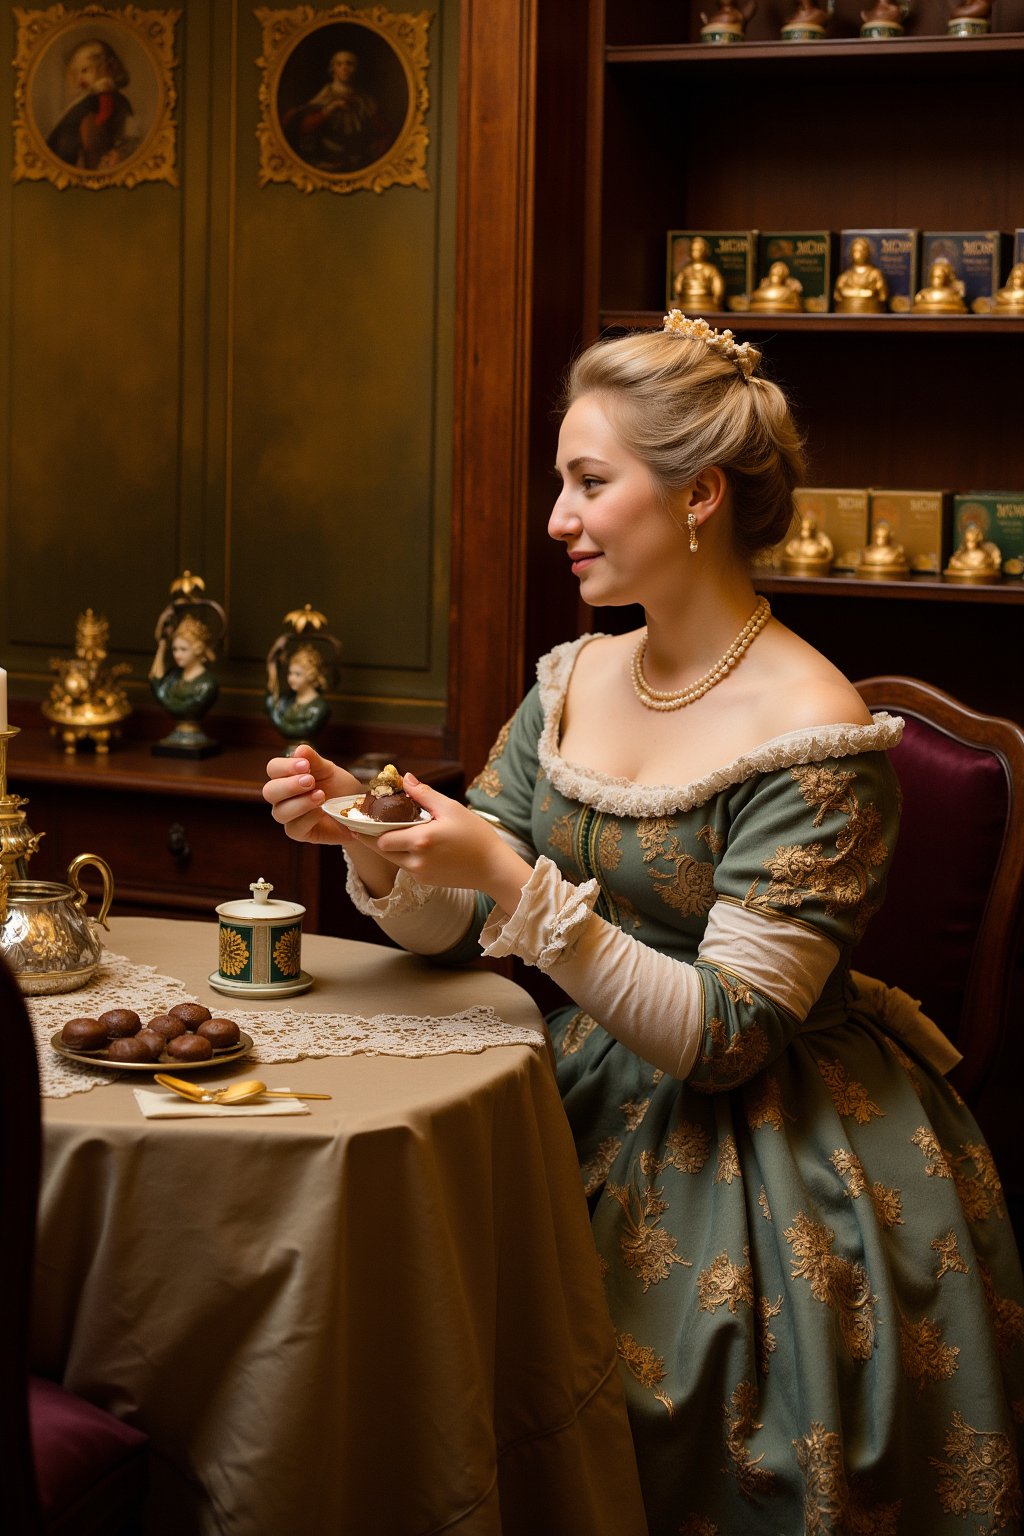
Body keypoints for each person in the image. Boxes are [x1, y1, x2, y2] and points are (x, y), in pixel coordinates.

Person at [263, 311, 1024, 1534]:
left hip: (775, 1150)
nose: (556, 518)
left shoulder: (811, 731)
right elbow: (455, 929)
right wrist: (373, 843)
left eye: (587, 483)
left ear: (699, 495)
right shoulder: (578, 676)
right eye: (559, 484)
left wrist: (509, 881)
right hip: (579, 1083)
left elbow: (723, 1036)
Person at [283, 48, 391, 173]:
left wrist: (366, 109)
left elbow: (384, 130)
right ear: (333, 69)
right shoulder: (325, 95)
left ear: (356, 69)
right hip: (327, 157)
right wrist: (329, 109)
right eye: (339, 64)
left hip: (359, 159)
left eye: (349, 64)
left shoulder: (364, 98)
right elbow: (304, 128)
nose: (344, 68)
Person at [46, 38, 137, 171]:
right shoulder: (90, 97)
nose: (80, 78)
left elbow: (103, 124)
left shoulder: (106, 95)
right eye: (77, 73)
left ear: (107, 68)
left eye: (85, 70)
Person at [149, 612, 219, 721]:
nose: (177, 655)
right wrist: (162, 646)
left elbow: (176, 706)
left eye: (183, 649)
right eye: (175, 649)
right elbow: (157, 682)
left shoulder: (207, 683)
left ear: (198, 649)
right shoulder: (174, 675)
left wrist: (163, 696)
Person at [265, 642, 332, 745]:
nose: (291, 678)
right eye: (290, 673)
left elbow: (301, 730)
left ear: (311, 676)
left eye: (297, 674)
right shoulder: (287, 700)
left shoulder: (320, 707)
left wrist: (276, 716)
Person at [834, 235, 889, 312]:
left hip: (871, 310)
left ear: (867, 252)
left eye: (861, 250)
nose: (858, 254)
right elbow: (837, 295)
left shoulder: (875, 274)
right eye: (855, 250)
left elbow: (883, 296)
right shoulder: (845, 275)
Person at [672, 236, 726, 311]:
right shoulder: (686, 269)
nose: (696, 253)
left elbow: (717, 284)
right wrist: (678, 294)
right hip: (686, 300)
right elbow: (678, 283)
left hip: (706, 301)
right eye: (694, 250)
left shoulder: (710, 269)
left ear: (705, 251)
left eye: (699, 250)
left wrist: (717, 298)